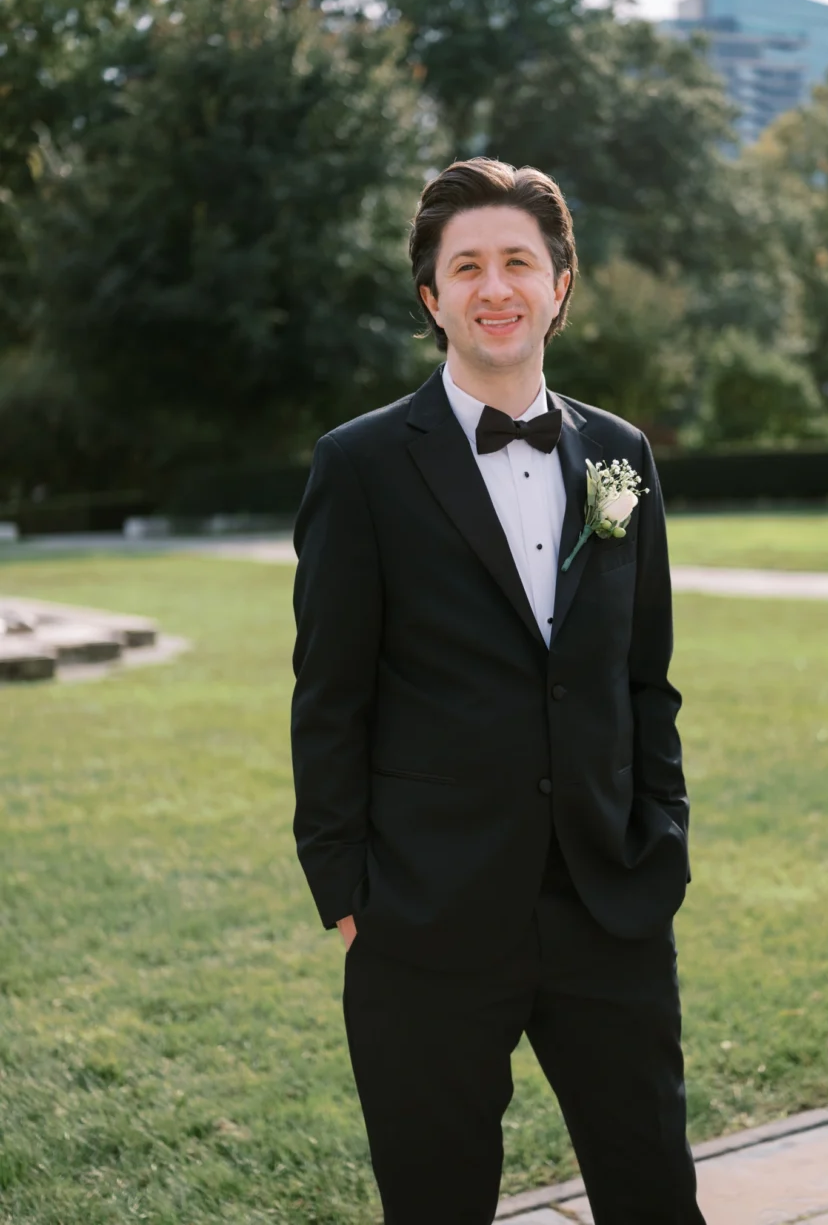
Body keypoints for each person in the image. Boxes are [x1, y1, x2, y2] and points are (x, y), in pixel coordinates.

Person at [291, 157, 704, 1225]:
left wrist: (661, 835)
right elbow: (328, 698)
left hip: (607, 904)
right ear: (432, 296)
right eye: (465, 264)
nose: (495, 285)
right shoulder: (362, 465)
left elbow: (643, 675)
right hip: (425, 918)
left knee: (656, 1193)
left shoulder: (619, 459)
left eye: (518, 260)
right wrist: (347, 897)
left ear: (561, 284)